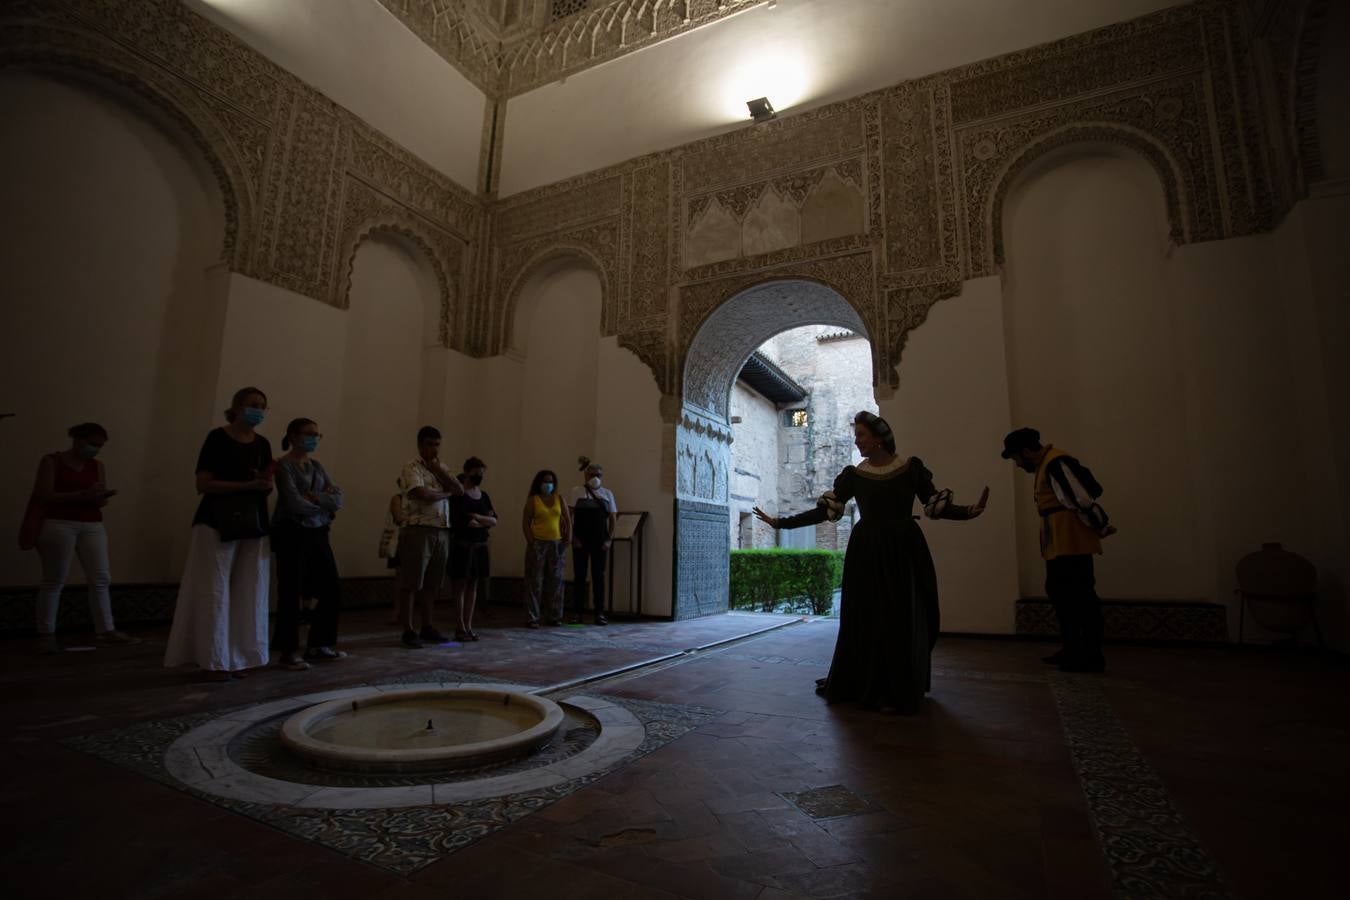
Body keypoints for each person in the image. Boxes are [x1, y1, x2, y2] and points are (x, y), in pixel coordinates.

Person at [754, 412, 988, 714]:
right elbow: (824, 512)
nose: (856, 440)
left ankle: (897, 688)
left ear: (879, 438)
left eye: (861, 434)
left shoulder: (910, 469)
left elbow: (936, 506)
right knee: (866, 615)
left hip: (904, 550)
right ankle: (867, 683)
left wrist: (969, 511)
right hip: (867, 552)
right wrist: (781, 523)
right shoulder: (854, 475)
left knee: (901, 617)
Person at [164, 387, 275, 681]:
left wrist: (265, 484)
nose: (258, 410)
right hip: (216, 520)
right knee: (214, 588)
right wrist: (246, 487)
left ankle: (240, 656)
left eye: (263, 406)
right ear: (236, 407)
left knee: (247, 588)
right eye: (253, 404)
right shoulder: (217, 437)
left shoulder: (263, 444)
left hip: (252, 522)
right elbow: (204, 484)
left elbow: (265, 482)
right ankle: (212, 658)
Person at [1002, 427, 1115, 673]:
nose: (1018, 465)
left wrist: (1100, 525)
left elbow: (1080, 499)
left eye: (1016, 458)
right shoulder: (1048, 464)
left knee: (1080, 596)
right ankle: (1073, 648)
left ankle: (1090, 654)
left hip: (1071, 539)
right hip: (1060, 540)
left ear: (1025, 452)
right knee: (1062, 593)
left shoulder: (1056, 462)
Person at [27, 423, 136, 653]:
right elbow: (44, 495)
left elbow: (100, 500)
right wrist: (80, 495)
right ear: (77, 439)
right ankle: (46, 632)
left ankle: (106, 629)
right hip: (59, 523)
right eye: (92, 444)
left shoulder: (97, 466)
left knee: (101, 577)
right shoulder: (51, 461)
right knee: (54, 579)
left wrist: (100, 496)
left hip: (92, 522)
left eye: (99, 446)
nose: (95, 449)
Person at [270, 418, 346, 670]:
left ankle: (320, 643)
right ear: (293, 436)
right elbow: (292, 501)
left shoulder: (316, 465)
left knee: (331, 586)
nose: (314, 438)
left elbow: (338, 499)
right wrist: (322, 502)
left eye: (317, 434)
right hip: (292, 531)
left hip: (317, 531)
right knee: (291, 589)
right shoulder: (284, 466)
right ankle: (288, 650)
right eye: (309, 433)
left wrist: (316, 498)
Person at [397, 426, 464, 648]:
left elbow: (459, 489)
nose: (434, 449)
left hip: (441, 530)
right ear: (420, 445)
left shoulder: (441, 467)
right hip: (419, 528)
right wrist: (445, 493)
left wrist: (438, 470)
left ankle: (427, 625)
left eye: (437, 445)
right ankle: (408, 628)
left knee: (432, 583)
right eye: (429, 444)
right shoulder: (411, 467)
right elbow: (421, 494)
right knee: (412, 581)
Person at [448, 457, 497, 640]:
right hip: (463, 546)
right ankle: (459, 626)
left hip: (480, 546)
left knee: (473, 586)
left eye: (482, 473)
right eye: (477, 473)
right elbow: (463, 521)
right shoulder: (458, 496)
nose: (480, 476)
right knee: (460, 586)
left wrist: (479, 518)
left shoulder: (484, 496)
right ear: (467, 471)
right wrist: (483, 520)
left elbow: (493, 520)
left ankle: (468, 625)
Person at [569, 456, 617, 625]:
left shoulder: (607, 494)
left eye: (598, 474)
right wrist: (572, 537)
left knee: (599, 577)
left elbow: (612, 518)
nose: (595, 477)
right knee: (579, 577)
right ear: (585, 476)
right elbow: (569, 516)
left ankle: (599, 613)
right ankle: (577, 613)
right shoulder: (576, 492)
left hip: (600, 542)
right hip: (580, 541)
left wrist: (608, 540)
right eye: (591, 474)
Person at [522, 469, 572, 628]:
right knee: (535, 581)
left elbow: (567, 519)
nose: (548, 484)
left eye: (550, 482)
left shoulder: (559, 499)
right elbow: (526, 522)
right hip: (538, 543)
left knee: (556, 581)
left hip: (556, 544)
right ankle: (533, 617)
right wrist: (531, 541)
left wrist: (568, 537)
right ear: (539, 483)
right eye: (545, 481)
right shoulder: (533, 500)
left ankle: (554, 616)